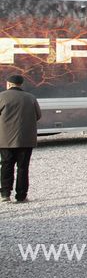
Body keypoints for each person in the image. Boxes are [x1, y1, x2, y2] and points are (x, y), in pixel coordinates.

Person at [0, 75, 41, 203]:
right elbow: (38, 116)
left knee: (6, 165)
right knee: (23, 167)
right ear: (20, 84)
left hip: (5, 139)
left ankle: (5, 194)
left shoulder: (2, 97)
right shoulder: (31, 98)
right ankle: (21, 196)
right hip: (26, 139)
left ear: (9, 84)